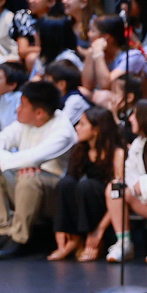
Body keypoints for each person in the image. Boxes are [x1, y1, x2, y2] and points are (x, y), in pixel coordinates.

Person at [0, 80, 75, 260]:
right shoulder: (22, 123)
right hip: (23, 181)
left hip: (54, 192)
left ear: (39, 113)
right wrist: (16, 163)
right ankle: (4, 232)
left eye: (22, 105)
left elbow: (35, 157)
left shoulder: (63, 130)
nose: (17, 109)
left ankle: (19, 238)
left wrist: (3, 164)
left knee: (30, 179)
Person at [49, 104, 118, 262]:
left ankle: (94, 241)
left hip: (105, 202)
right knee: (66, 183)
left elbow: (118, 191)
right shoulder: (80, 149)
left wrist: (98, 230)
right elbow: (70, 181)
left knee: (87, 186)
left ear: (96, 129)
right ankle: (72, 238)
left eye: (82, 124)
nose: (77, 128)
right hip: (85, 198)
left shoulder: (115, 152)